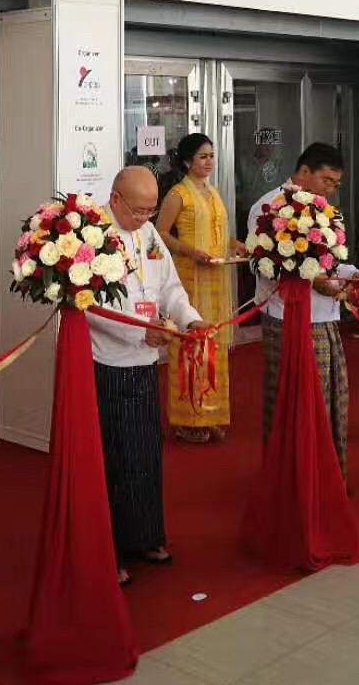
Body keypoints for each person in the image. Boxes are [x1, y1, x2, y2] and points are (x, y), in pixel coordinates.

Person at [89, 167, 203, 587]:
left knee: (146, 454)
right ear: (115, 199)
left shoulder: (150, 234)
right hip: (109, 362)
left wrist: (189, 320)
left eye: (151, 211)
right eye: (138, 210)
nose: (144, 218)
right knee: (114, 460)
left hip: (145, 360)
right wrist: (141, 332)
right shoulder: (91, 237)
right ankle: (111, 550)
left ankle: (146, 536)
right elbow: (89, 307)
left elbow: (170, 287)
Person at [249, 142, 357, 476]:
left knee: (330, 397)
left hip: (325, 315)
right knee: (292, 398)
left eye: (336, 183)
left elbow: (332, 262)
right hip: (287, 317)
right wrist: (313, 280)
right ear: (305, 171)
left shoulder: (326, 211)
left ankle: (326, 475)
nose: (331, 189)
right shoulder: (270, 206)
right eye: (327, 180)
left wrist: (353, 275)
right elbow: (260, 264)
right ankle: (291, 474)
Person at [156, 133, 245, 443]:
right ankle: (188, 419)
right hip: (190, 277)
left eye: (211, 156)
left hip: (215, 277)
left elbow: (219, 234)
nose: (209, 162)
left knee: (214, 345)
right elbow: (160, 234)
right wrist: (191, 252)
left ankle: (211, 415)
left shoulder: (212, 192)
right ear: (186, 161)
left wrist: (235, 245)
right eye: (203, 156)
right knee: (190, 345)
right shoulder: (178, 194)